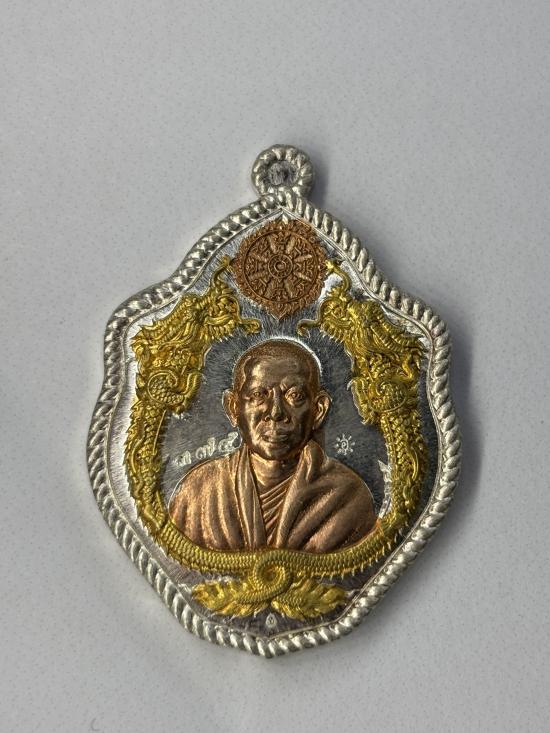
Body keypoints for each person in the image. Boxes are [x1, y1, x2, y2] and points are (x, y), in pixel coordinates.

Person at [169, 339, 376, 552]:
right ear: (233, 408)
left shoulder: (348, 497)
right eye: (258, 395)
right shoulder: (198, 492)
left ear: (318, 410)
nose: (276, 412)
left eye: (294, 396)